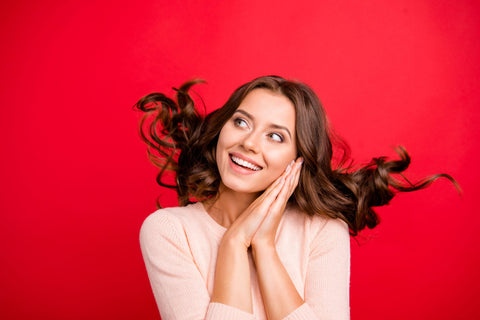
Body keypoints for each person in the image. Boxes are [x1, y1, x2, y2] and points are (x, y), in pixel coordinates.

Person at [135, 76, 456, 320]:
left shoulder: (321, 229)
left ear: (298, 159)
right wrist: (233, 243)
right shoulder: (169, 231)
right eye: (241, 121)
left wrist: (264, 246)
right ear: (221, 129)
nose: (249, 143)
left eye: (275, 136)